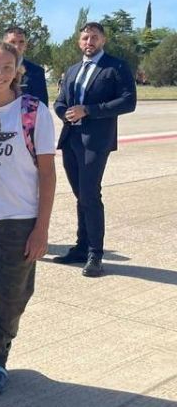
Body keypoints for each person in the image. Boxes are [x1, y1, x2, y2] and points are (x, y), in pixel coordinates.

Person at [0, 41, 56, 394]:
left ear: (18, 71)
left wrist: (41, 228)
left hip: (21, 217)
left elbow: (47, 174)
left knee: (13, 293)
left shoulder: (33, 112)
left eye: (6, 67)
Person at [53, 22, 136, 277]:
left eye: (94, 38)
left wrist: (88, 110)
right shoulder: (73, 70)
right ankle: (81, 246)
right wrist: (64, 113)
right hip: (71, 139)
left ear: (103, 40)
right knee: (81, 195)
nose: (89, 42)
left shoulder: (115, 67)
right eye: (85, 38)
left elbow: (128, 101)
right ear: (79, 42)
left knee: (90, 194)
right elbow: (60, 102)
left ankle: (95, 254)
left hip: (96, 141)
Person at [3, 26, 48, 104]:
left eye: (21, 42)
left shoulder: (36, 72)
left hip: (25, 115)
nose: (17, 46)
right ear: (3, 44)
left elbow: (41, 105)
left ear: (25, 45)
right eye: (12, 42)